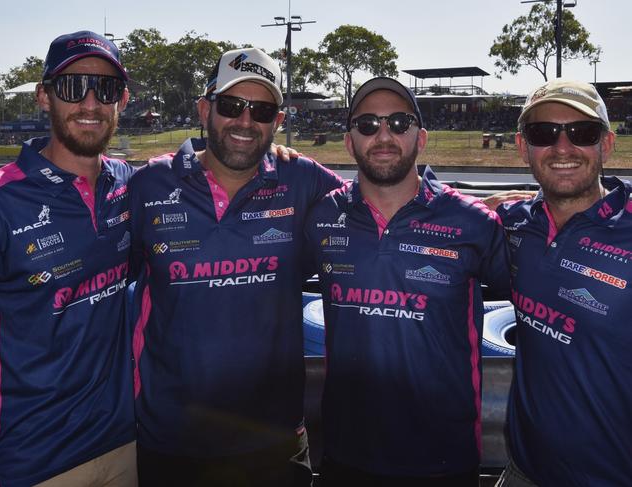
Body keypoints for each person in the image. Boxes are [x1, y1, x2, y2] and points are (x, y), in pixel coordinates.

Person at [128, 47, 342, 486]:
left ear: (277, 122)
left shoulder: (303, 179)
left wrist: (488, 208)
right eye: (231, 106)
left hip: (274, 444)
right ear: (205, 109)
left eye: (261, 110)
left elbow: (383, 207)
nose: (246, 122)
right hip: (172, 445)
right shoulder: (149, 184)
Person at [303, 77, 511, 487]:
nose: (383, 135)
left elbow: (542, 305)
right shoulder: (321, 216)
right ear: (349, 142)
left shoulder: (473, 221)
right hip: (346, 457)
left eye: (399, 123)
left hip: (443, 461)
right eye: (367, 125)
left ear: (421, 137)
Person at [0, 32, 136, 486]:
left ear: (121, 100)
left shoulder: (133, 185)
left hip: (123, 443)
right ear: (44, 97)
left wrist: (275, 155)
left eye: (105, 89)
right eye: (72, 87)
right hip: (31, 460)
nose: (90, 103)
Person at [491, 79, 632, 486]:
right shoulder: (515, 224)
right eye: (544, 133)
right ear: (523, 147)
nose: (563, 147)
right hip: (523, 470)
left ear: (605, 145)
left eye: (582, 133)